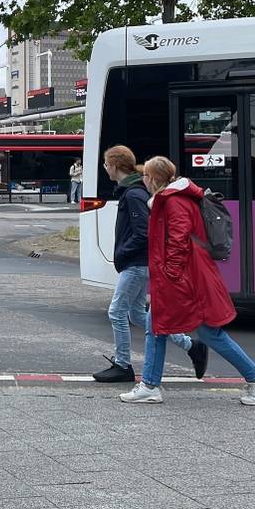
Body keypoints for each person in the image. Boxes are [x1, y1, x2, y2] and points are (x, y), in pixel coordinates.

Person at [121, 156, 255, 406]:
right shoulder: (176, 198)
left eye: (146, 176)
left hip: (185, 278)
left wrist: (169, 276)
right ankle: (150, 385)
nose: (144, 180)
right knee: (159, 327)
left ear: (154, 178)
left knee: (206, 331)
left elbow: (178, 241)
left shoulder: (173, 202)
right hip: (189, 275)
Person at [92, 146, 206, 383]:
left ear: (114, 165)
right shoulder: (135, 190)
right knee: (136, 313)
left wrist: (122, 252)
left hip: (136, 263)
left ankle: (123, 364)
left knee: (116, 312)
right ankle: (191, 346)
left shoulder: (132, 194)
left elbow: (143, 233)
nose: (105, 168)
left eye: (106, 164)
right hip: (140, 262)